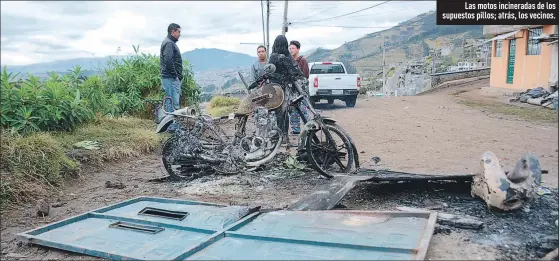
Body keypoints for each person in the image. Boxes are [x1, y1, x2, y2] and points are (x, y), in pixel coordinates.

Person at [288, 40, 310, 135]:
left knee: (303, 109)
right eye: (290, 48)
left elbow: (305, 75)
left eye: (293, 48)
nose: (291, 50)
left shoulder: (302, 60)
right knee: (293, 109)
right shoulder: (289, 61)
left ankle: (308, 127)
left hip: (302, 89)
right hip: (292, 90)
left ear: (298, 49)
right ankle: (296, 129)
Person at [160, 23, 183, 113]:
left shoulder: (169, 42)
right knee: (173, 103)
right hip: (170, 77)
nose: (179, 34)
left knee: (171, 101)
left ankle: (172, 123)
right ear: (173, 32)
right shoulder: (169, 43)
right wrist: (175, 75)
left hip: (169, 77)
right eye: (178, 32)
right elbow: (168, 60)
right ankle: (172, 124)